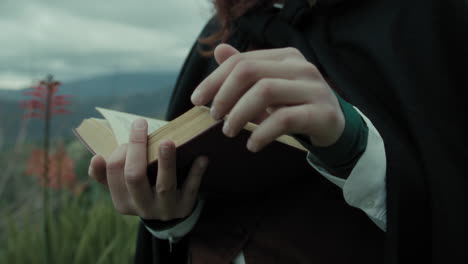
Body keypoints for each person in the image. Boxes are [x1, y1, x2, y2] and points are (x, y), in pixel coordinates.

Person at [88, 0, 467, 263]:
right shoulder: (227, 30)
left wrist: (352, 145)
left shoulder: (429, 17)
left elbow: (447, 191)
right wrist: (170, 211)